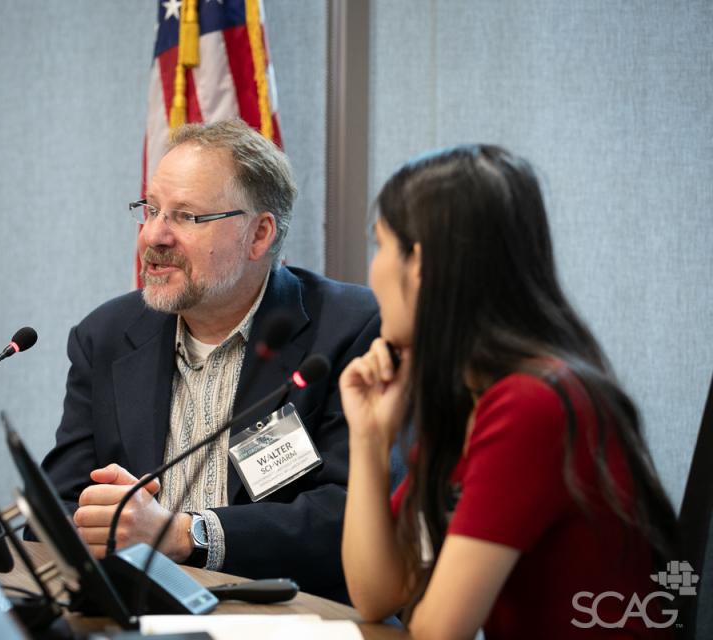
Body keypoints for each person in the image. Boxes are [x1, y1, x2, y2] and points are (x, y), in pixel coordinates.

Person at [339, 145, 678, 637]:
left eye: (380, 245)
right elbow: (377, 594)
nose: (371, 271)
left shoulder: (531, 405)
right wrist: (369, 439)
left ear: (422, 265)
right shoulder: (472, 397)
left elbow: (439, 631)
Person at [41, 119, 381, 601]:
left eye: (185, 217)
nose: (154, 236)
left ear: (258, 235)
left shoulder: (350, 329)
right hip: (144, 615)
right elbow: (62, 501)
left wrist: (186, 534)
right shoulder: (106, 336)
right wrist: (99, 517)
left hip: (293, 614)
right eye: (152, 209)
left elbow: (351, 515)